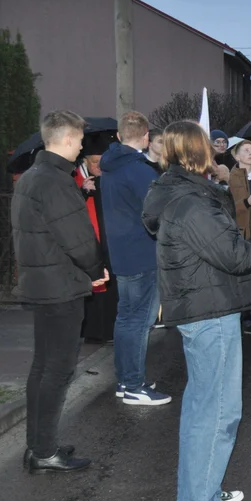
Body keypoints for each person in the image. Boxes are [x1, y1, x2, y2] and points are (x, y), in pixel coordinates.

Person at [142, 121, 251, 501]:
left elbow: (211, 258)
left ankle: (203, 489)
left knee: (206, 407)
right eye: (208, 146)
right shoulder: (191, 201)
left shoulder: (183, 194)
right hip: (209, 314)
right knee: (217, 411)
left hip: (208, 305)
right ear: (197, 152)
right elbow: (234, 255)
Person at [13, 110, 108, 474]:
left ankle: (39, 444)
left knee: (42, 367)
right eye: (81, 141)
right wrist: (96, 269)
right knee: (57, 370)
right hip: (60, 287)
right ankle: (44, 451)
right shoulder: (55, 181)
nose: (83, 147)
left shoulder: (33, 176)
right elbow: (78, 237)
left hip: (43, 284)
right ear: (67, 139)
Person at [99, 112, 170, 406]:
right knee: (140, 321)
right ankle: (133, 385)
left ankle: (126, 378)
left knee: (127, 317)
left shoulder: (111, 166)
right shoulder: (139, 170)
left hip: (121, 252)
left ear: (118, 136)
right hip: (142, 253)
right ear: (145, 136)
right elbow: (156, 210)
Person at [75, 149, 117, 342]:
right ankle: (93, 332)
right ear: (85, 161)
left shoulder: (109, 179)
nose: (98, 166)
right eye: (94, 162)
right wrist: (82, 191)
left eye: (102, 162)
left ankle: (107, 329)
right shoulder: (76, 179)